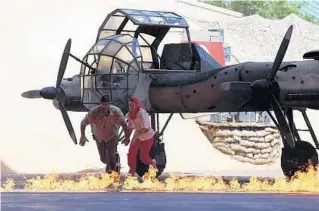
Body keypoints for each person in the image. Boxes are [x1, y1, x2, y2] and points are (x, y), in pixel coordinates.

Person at [79, 95, 130, 173]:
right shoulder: (93, 112)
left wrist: (127, 137)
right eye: (102, 104)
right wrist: (82, 136)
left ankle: (111, 175)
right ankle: (113, 162)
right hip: (99, 137)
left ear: (109, 104)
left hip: (111, 136)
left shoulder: (116, 112)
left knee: (110, 157)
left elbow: (124, 124)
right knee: (103, 159)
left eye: (106, 104)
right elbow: (83, 123)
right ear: (100, 104)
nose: (104, 106)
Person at [123, 96, 157, 176]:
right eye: (130, 105)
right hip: (138, 136)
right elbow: (131, 127)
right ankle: (132, 172)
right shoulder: (130, 114)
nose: (131, 107)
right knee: (131, 153)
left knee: (143, 158)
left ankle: (152, 162)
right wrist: (127, 138)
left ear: (136, 104)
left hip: (147, 137)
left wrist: (136, 136)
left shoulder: (142, 112)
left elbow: (145, 128)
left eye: (132, 105)